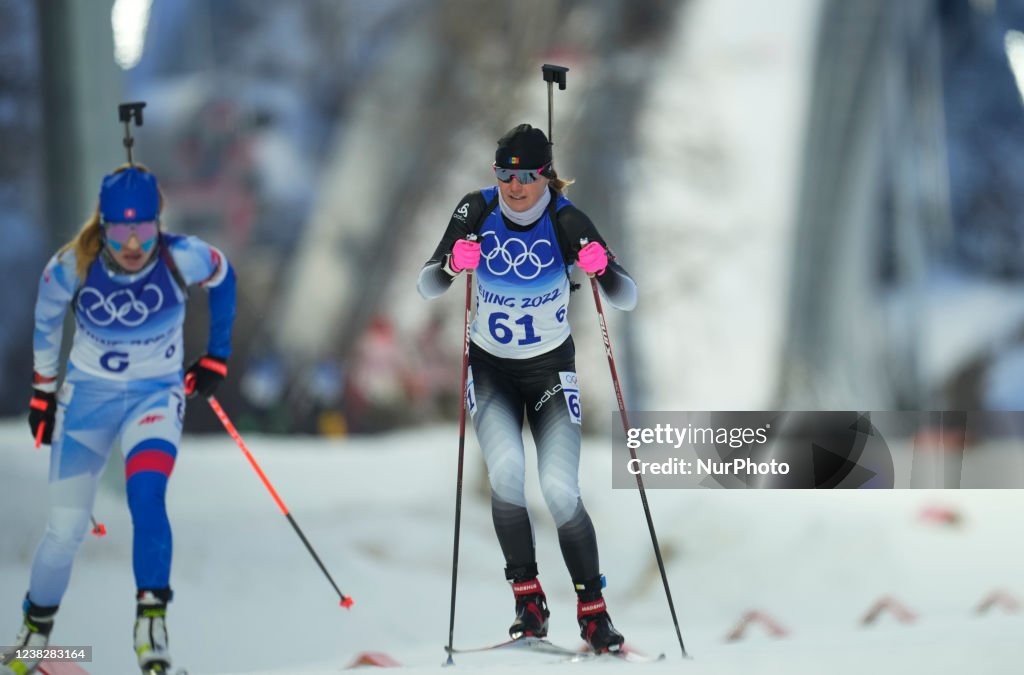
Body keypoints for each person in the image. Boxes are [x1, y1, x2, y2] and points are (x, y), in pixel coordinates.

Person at [1, 165, 236, 675]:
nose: (132, 242)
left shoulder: (182, 256)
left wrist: (216, 354)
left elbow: (224, 276)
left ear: (159, 222)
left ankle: (150, 624)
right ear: (102, 224)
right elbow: (45, 319)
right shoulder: (70, 266)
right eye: (120, 228)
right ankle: (34, 635)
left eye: (144, 228)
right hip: (87, 401)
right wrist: (42, 392)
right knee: (64, 529)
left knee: (147, 498)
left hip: (153, 398)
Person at [417, 124, 637, 653]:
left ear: (545, 176)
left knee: (560, 490)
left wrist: (602, 268)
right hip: (491, 371)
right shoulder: (475, 210)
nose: (514, 186)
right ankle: (528, 600)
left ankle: (594, 613)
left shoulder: (567, 220)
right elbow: (427, 283)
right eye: (505, 175)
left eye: (526, 176)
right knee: (508, 476)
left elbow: (626, 296)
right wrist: (450, 264)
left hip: (548, 374)